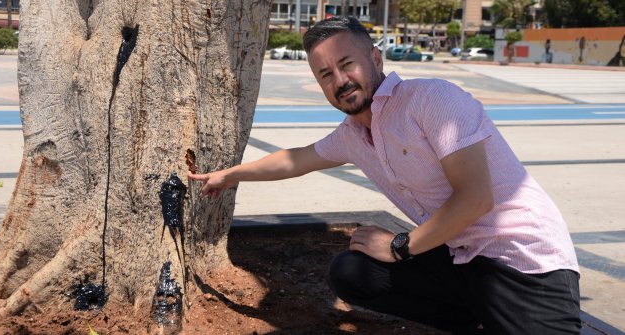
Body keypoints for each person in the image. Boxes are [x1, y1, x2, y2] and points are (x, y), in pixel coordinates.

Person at [189, 17, 581, 335]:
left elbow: (476, 199)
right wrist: (230, 175)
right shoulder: (354, 134)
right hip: (461, 258)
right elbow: (297, 159)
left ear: (375, 60)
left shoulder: (432, 100)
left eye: (347, 65)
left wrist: (399, 246)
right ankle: (471, 316)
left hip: (523, 262)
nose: (339, 81)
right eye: (325, 74)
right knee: (352, 272)